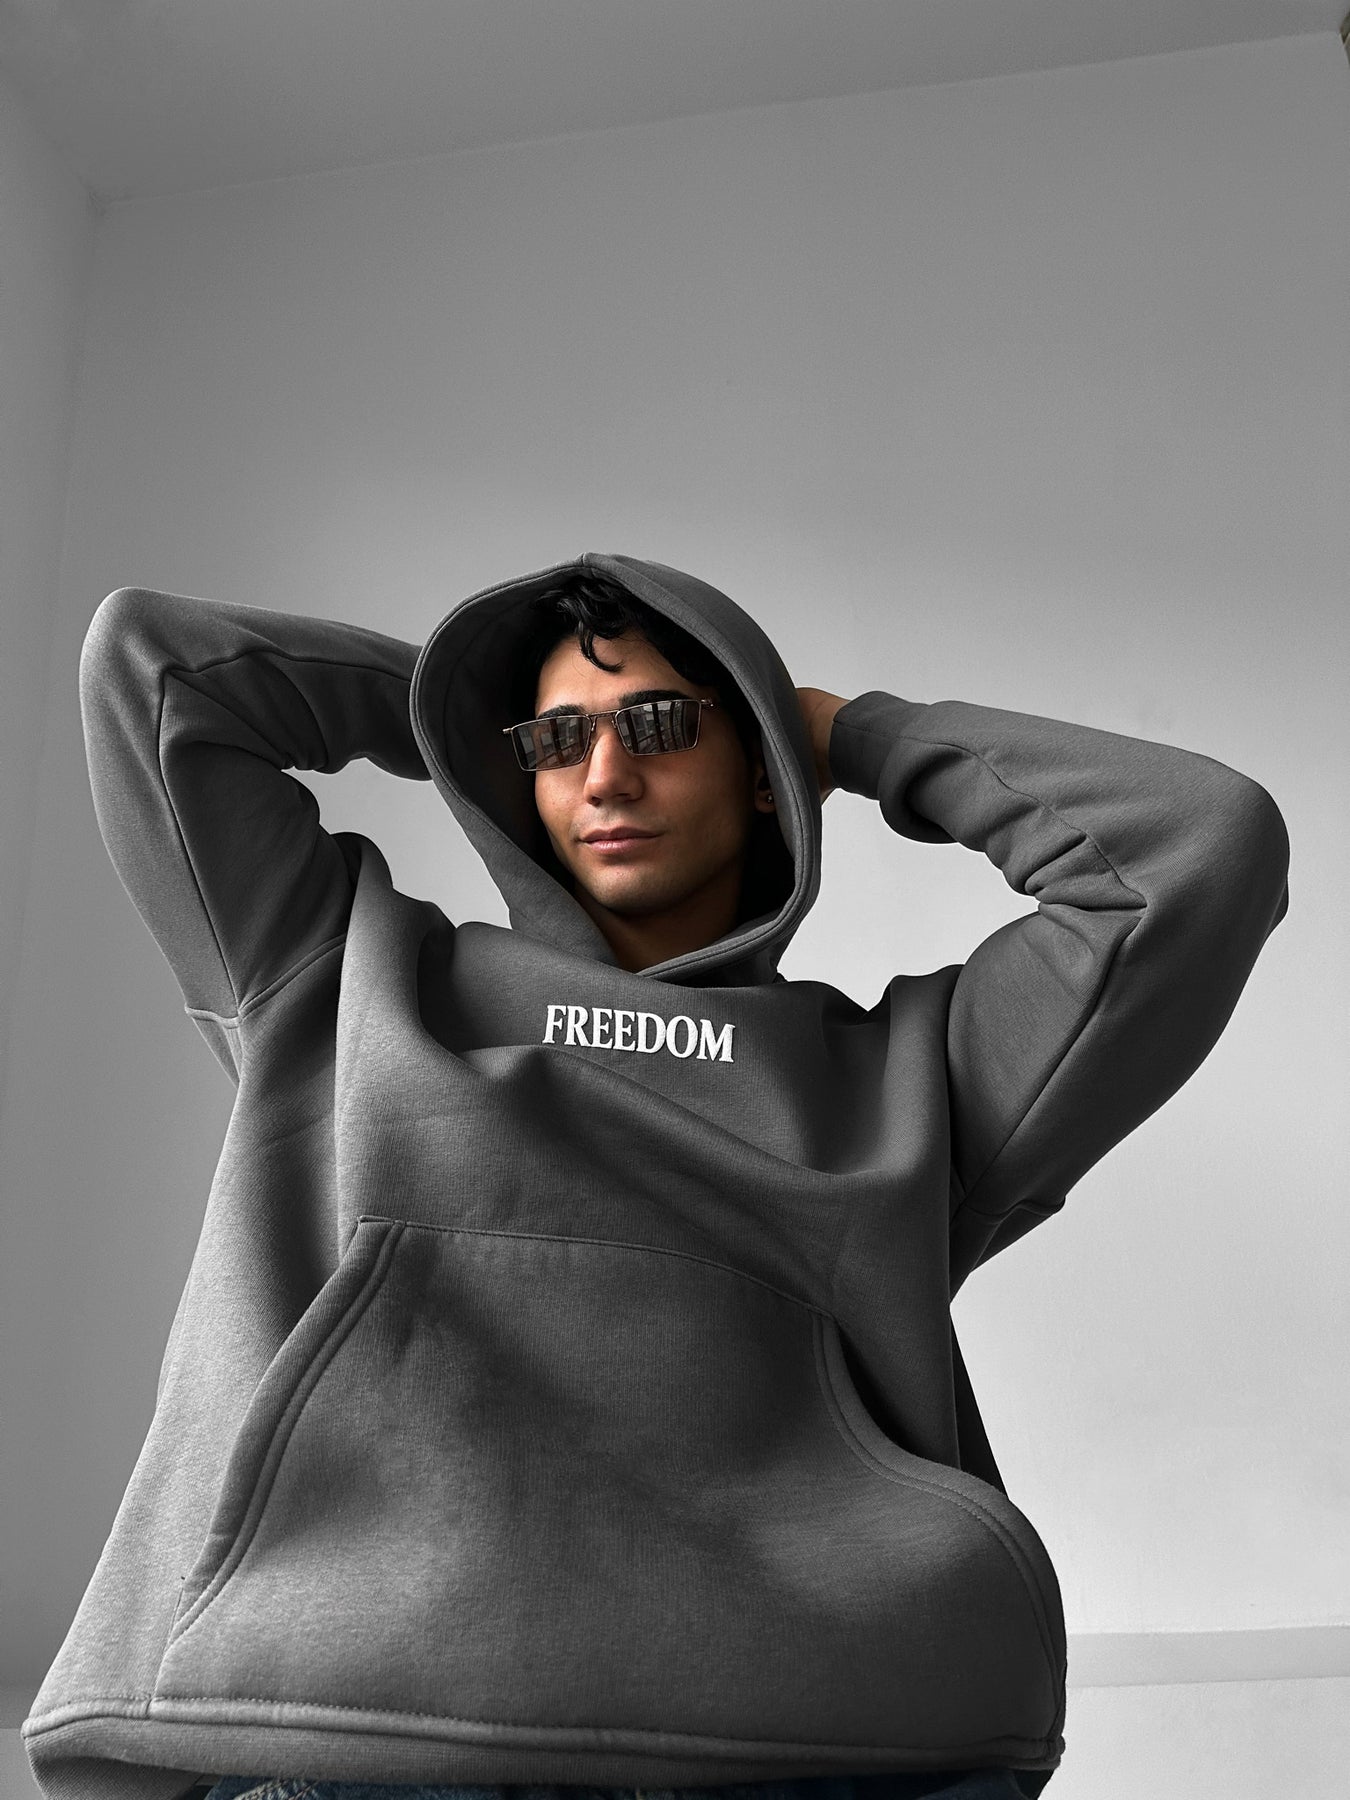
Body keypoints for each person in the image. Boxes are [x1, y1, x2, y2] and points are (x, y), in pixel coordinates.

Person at [24, 553, 1288, 1800]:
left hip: (817, 1739)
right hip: (354, 1725)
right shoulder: (346, 978)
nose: (605, 775)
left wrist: (842, 735)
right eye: (557, 740)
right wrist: (461, 720)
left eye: (660, 725)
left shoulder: (913, 1075)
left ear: (759, 769)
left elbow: (1198, 848)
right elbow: (154, 665)